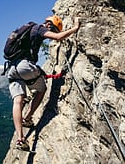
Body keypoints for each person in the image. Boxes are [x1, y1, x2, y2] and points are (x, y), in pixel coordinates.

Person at [7, 15, 81, 151]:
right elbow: (58, 37)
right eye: (53, 29)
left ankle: (20, 139)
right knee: (42, 90)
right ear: (50, 25)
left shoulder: (27, 30)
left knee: (18, 101)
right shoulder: (40, 28)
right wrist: (75, 28)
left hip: (11, 69)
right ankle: (27, 118)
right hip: (25, 66)